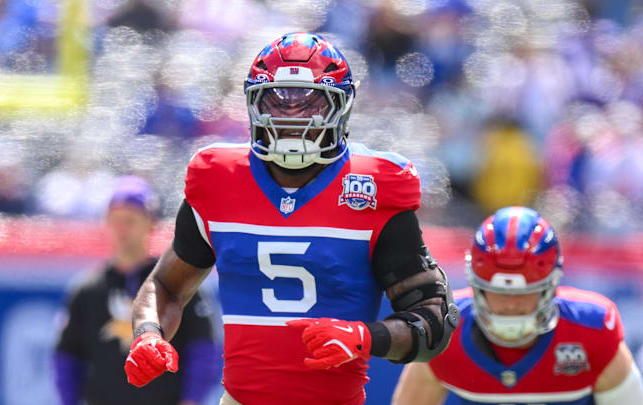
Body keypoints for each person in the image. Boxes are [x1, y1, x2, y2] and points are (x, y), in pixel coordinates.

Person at [123, 32, 459, 405]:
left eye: (311, 104)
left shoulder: (372, 188)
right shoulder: (218, 179)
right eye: (277, 102)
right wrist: (148, 334)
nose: (292, 119)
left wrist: (366, 337)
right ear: (253, 104)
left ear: (340, 108)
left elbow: (433, 323)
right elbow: (166, 286)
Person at [392, 206, 643, 405]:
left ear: (550, 286)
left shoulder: (592, 332)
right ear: (477, 287)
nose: (511, 305)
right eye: (498, 292)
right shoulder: (443, 332)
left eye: (525, 293)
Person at [53, 176, 221, 405]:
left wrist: (192, 400)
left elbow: (203, 349)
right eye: (115, 220)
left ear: (150, 223)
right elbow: (67, 356)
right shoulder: (88, 289)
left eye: (130, 221)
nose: (121, 230)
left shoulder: (173, 282)